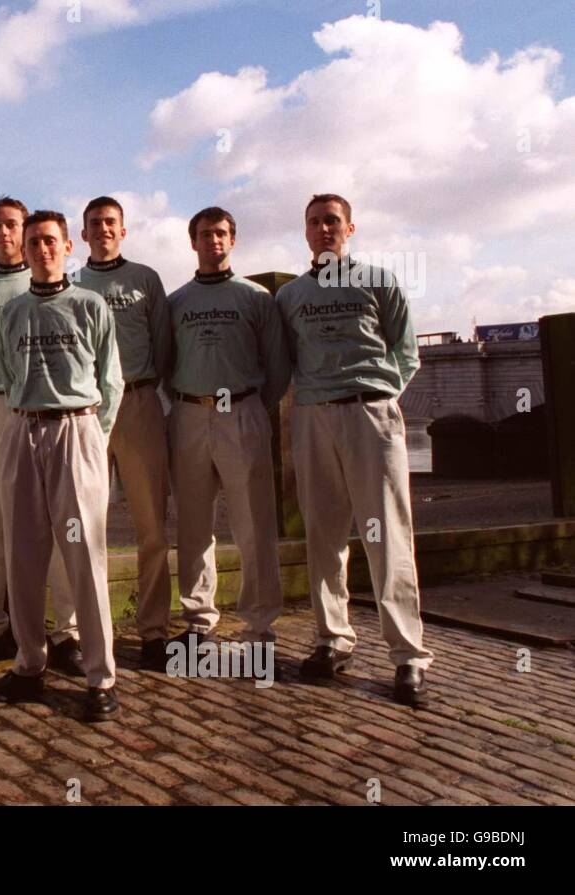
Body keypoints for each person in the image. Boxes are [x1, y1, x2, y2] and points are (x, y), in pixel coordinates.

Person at [277, 193, 433, 705]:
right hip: (313, 416)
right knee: (323, 533)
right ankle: (333, 639)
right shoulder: (290, 296)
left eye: (333, 221)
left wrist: (380, 394)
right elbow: (285, 360)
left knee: (387, 532)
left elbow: (405, 352)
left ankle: (408, 656)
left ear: (350, 228)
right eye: (315, 222)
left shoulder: (380, 282)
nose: (324, 229)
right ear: (305, 232)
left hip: (371, 414)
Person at [0, 210, 123, 722]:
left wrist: (92, 438)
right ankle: (29, 663)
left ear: (68, 245)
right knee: (22, 556)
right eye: (33, 242)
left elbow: (112, 380)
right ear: (23, 251)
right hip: (23, 428)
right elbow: (6, 372)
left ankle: (100, 676)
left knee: (85, 557)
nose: (42, 249)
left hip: (76, 429)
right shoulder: (13, 313)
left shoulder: (90, 305)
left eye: (50, 240)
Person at [49, 196, 173, 672]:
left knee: (151, 527)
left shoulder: (145, 280)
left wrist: (145, 392)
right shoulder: (71, 282)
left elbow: (163, 348)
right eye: (94, 223)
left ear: (123, 231)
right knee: (79, 523)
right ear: (81, 236)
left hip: (139, 404)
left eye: (110, 223)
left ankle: (154, 630)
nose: (102, 229)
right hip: (86, 412)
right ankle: (75, 630)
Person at [0, 197, 80, 672]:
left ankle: (66, 631)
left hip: (43, 411)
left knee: (58, 522)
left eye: (13, 225)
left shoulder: (52, 288)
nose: (4, 233)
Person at [166, 207, 289, 653]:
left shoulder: (257, 299)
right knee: (194, 525)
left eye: (220, 233)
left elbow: (277, 367)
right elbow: (165, 364)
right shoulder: (176, 302)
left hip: (242, 410)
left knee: (254, 522)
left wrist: (251, 406)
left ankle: (258, 625)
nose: (212, 240)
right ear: (192, 241)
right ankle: (199, 618)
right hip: (188, 414)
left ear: (232, 240)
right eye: (204, 233)